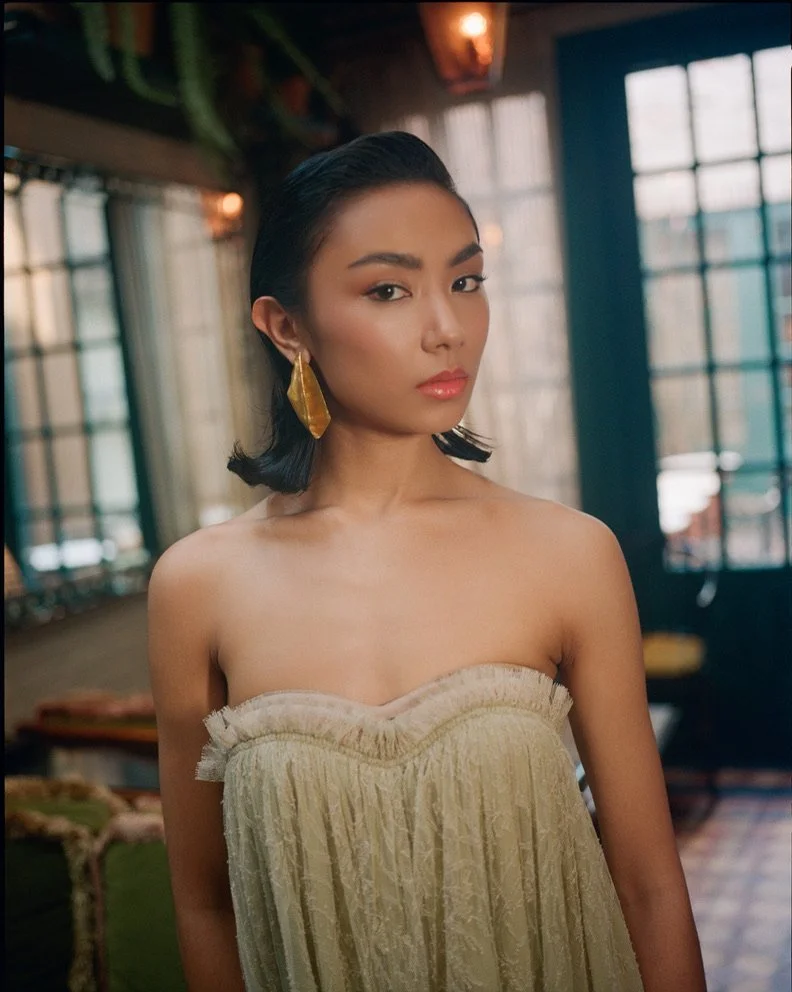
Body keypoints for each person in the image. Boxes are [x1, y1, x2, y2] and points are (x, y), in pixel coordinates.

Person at [147, 131, 706, 992]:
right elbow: (204, 905)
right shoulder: (198, 584)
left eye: (466, 280)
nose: (448, 328)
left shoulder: (569, 553)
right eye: (389, 290)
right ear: (286, 326)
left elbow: (648, 884)